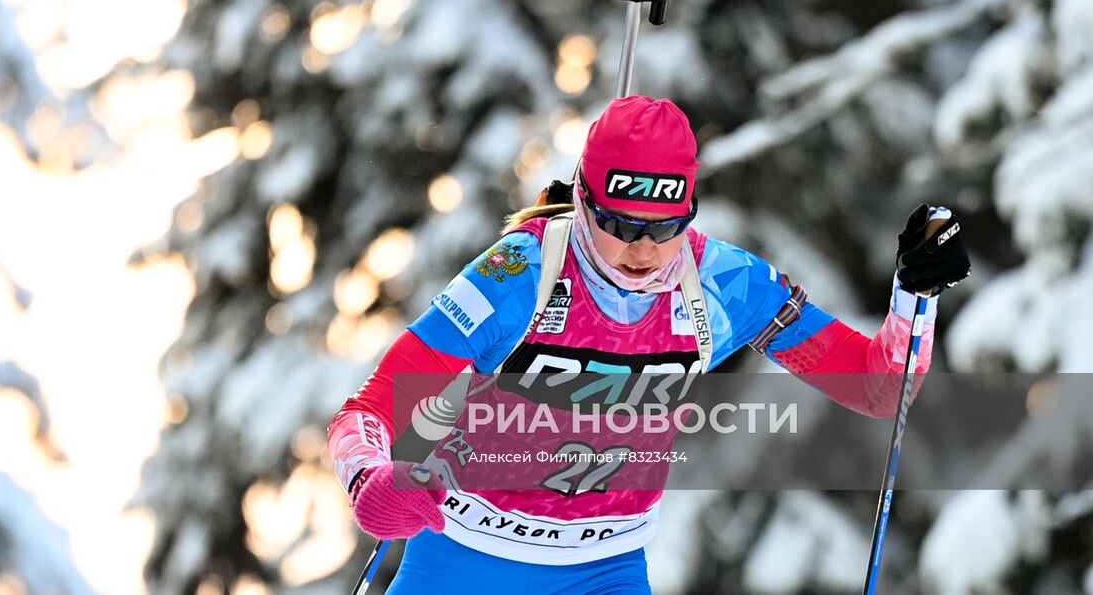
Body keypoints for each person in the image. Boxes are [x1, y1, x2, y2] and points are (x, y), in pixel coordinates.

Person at [327, 96, 970, 593]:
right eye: (617, 223)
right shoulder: (518, 277)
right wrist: (371, 481)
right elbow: (369, 411)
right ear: (582, 201)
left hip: (602, 571)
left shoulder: (726, 287)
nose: (641, 251)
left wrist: (915, 296)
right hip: (465, 560)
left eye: (663, 228)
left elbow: (878, 388)